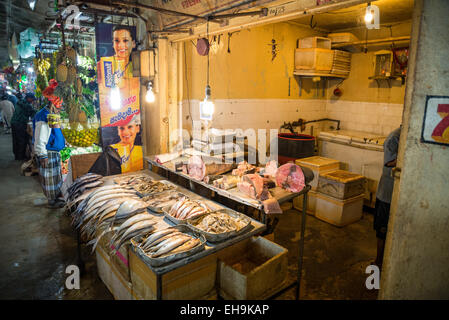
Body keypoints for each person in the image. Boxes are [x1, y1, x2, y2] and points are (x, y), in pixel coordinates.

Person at [33, 80, 66, 208]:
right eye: (60, 103)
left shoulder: (52, 114)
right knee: (49, 178)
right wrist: (42, 155)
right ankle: (52, 201)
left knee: (54, 177)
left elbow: (55, 130)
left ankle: (56, 198)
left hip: (54, 151)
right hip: (48, 152)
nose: (61, 106)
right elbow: (40, 137)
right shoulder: (44, 115)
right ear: (54, 101)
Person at [373, 126, 401, 268]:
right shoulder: (394, 138)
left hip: (396, 192)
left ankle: (387, 261)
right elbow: (389, 162)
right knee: (382, 229)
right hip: (387, 193)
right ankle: (378, 261)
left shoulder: (404, 136)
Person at [11, 93, 36, 160]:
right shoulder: (27, 105)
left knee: (16, 139)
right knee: (22, 140)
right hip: (20, 123)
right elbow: (33, 113)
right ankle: (20, 157)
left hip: (14, 122)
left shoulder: (20, 101)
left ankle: (17, 155)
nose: (32, 101)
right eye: (32, 99)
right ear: (28, 98)